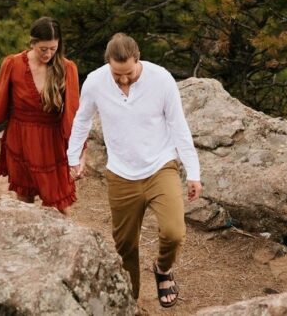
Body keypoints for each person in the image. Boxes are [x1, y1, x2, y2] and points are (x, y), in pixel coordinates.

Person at [67, 33, 202, 309]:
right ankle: (131, 301)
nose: (124, 80)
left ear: (137, 60)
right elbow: (81, 120)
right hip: (121, 173)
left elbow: (178, 126)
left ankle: (163, 268)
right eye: (117, 75)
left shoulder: (161, 79)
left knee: (174, 232)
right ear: (108, 65)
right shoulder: (95, 82)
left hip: (160, 166)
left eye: (128, 73)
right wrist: (73, 157)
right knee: (125, 246)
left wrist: (194, 172)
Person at [0, 17, 82, 212]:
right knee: (24, 201)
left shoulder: (66, 68)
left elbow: (73, 113)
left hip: (51, 141)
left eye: (53, 48)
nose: (48, 54)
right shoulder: (12, 64)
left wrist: (78, 151)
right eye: (43, 49)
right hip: (20, 138)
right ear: (32, 42)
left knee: (59, 202)